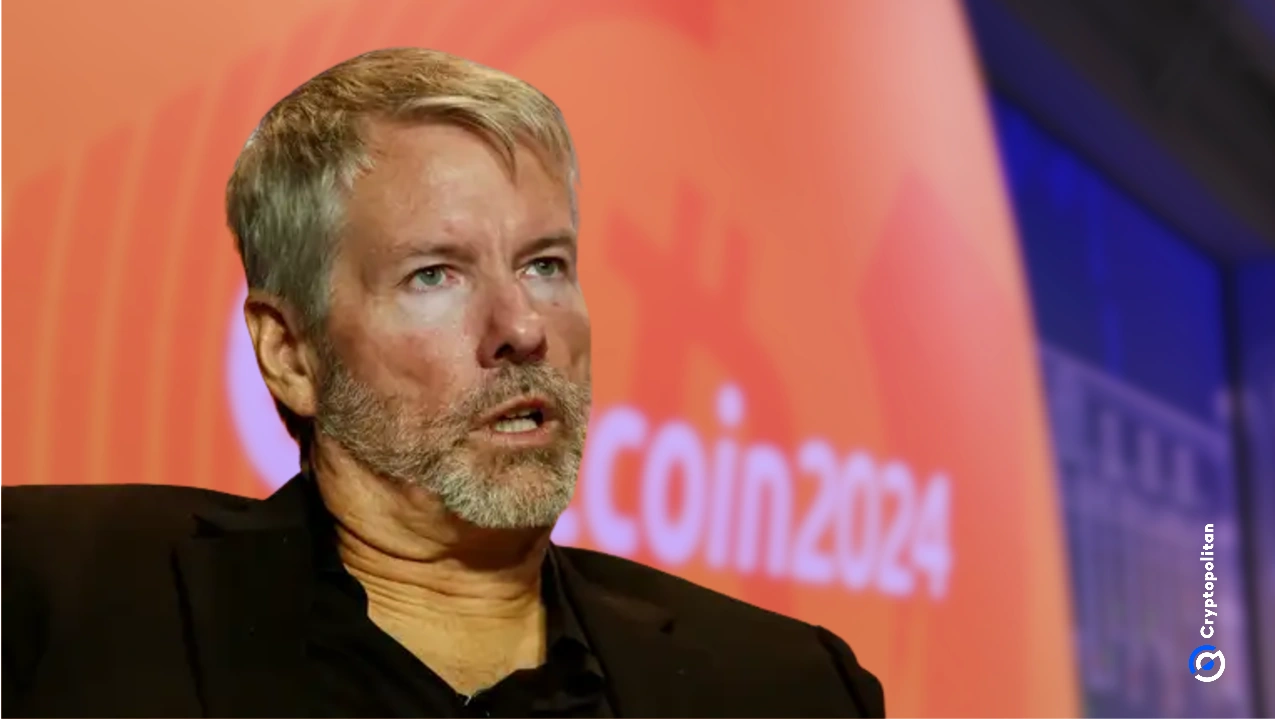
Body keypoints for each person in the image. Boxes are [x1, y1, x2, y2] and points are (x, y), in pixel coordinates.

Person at [1, 48, 885, 718]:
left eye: (544, 264)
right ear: (290, 354)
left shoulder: (789, 688)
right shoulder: (59, 602)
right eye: (435, 275)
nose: (523, 328)